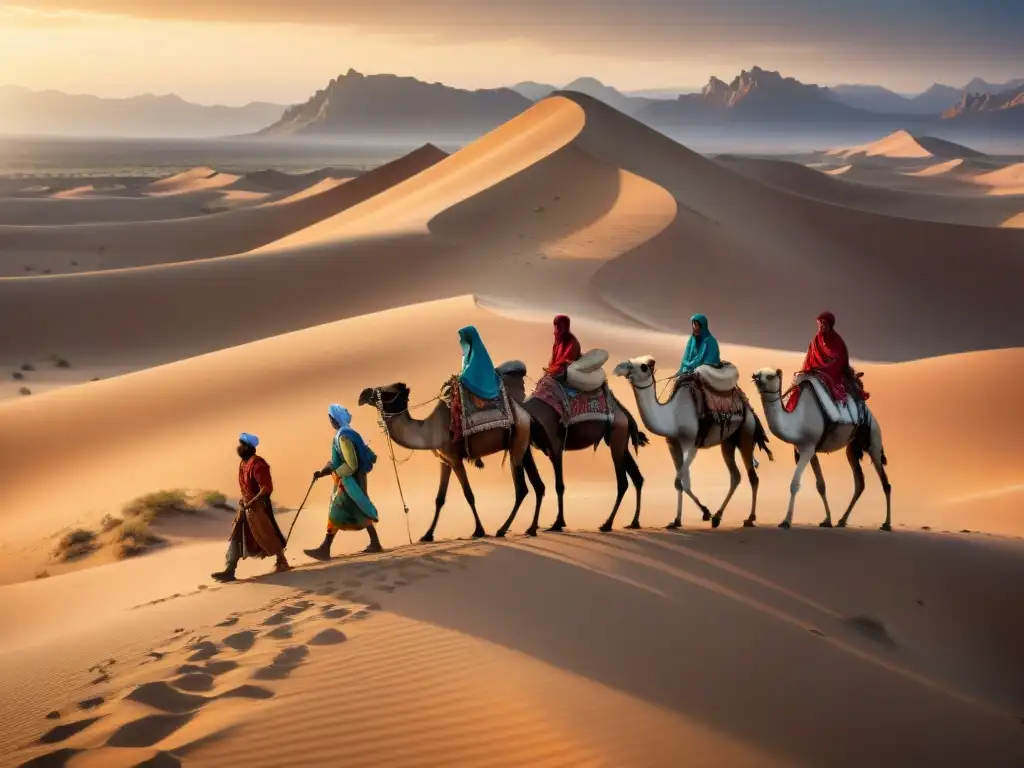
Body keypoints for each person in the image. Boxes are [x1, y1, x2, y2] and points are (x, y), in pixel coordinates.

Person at [304, 405, 382, 561]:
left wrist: (335, 473)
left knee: (337, 511)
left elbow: (350, 465)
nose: (330, 421)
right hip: (355, 481)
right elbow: (367, 456)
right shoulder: (351, 433)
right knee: (359, 509)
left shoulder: (343, 437)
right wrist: (323, 471)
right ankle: (375, 542)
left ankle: (325, 548)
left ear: (335, 419)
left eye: (330, 418)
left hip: (350, 482)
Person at [211, 432, 289, 582]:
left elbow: (266, 488)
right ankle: (229, 569)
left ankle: (282, 561)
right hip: (246, 506)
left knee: (268, 534)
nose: (239, 448)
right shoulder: (243, 463)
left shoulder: (258, 465)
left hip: (258, 507)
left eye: (243, 445)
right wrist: (244, 501)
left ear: (249, 447)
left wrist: (252, 501)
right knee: (237, 534)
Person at [798, 311, 868, 402]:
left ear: (829, 325)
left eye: (823, 323)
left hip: (832, 372)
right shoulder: (815, 340)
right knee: (799, 381)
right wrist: (808, 369)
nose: (821, 326)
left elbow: (839, 361)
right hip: (816, 371)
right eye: (819, 323)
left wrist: (824, 369)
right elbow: (810, 358)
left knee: (834, 384)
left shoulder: (837, 341)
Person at [458, 325, 500, 400]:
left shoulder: (476, 358)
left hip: (483, 391)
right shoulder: (481, 353)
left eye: (463, 340)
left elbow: (467, 378)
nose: (461, 342)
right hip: (493, 391)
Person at [545, 314, 582, 382]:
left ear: (565, 327)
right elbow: (553, 359)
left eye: (559, 326)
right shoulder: (558, 342)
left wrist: (552, 369)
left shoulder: (572, 342)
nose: (556, 328)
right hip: (556, 369)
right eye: (555, 326)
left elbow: (567, 360)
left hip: (566, 370)